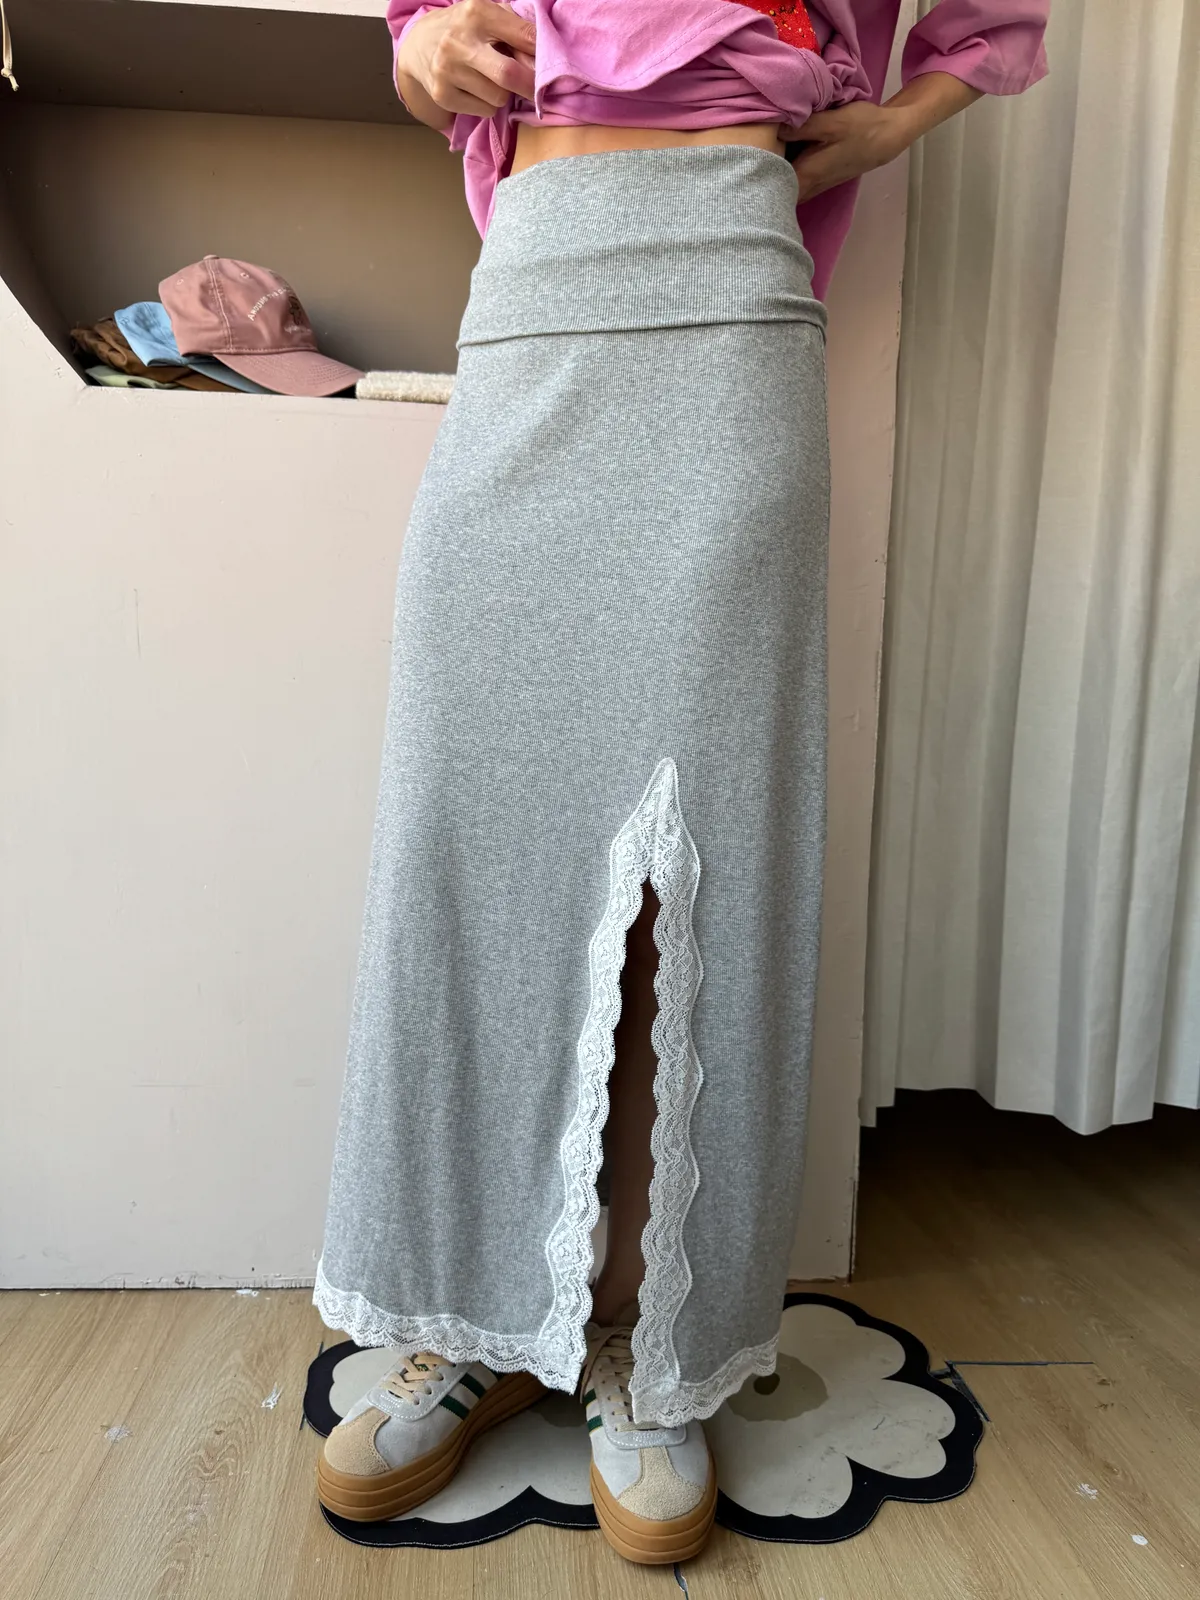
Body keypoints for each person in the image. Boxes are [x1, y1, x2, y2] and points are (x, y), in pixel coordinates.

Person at [311, 0, 1049, 1565]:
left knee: (696, 854)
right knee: (472, 833)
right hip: (536, 274)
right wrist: (419, 43)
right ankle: (480, 1319)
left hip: (728, 283)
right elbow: (424, 25)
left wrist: (903, 115)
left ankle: (644, 1344)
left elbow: (998, 18)